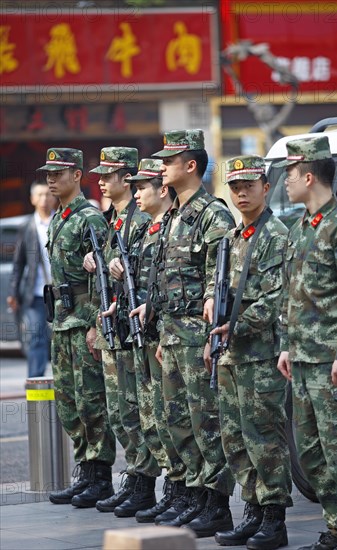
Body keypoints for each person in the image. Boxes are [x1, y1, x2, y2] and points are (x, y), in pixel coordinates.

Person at [276, 136, 337, 550]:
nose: (286, 183)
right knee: (311, 454)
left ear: (308, 175)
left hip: (334, 361)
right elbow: (291, 294)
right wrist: (286, 346)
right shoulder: (300, 228)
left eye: (290, 175)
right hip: (304, 360)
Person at [148, 129, 236, 537]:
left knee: (206, 421)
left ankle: (217, 504)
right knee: (176, 420)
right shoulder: (172, 216)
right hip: (171, 334)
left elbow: (218, 278)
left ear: (191, 165)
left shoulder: (211, 213)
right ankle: (193, 495)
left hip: (197, 336)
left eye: (169, 160)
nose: (162, 166)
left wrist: (207, 336)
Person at [204, 155, 293, 550]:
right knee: (234, 438)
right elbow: (214, 284)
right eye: (235, 187)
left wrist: (235, 324)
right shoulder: (229, 238)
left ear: (265, 187)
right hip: (228, 354)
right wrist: (211, 316)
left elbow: (276, 298)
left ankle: (275, 517)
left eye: (249, 186)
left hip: (259, 354)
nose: (241, 193)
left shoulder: (276, 235)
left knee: (264, 437)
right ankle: (253, 510)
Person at [37, 148, 115, 507]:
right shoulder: (59, 218)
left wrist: (96, 322)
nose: (51, 179)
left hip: (83, 319)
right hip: (62, 321)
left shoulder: (90, 218)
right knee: (68, 402)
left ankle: (100, 477)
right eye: (48, 174)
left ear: (77, 175)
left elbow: (103, 276)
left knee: (92, 401)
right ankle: (85, 470)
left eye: (58, 173)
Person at [83, 147, 160, 516]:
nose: (100, 180)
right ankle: (134, 475)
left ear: (126, 178)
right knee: (119, 412)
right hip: (113, 323)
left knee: (139, 409)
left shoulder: (142, 218)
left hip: (135, 328)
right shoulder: (113, 219)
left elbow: (146, 274)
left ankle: (144, 482)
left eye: (108, 174)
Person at [122, 159, 187, 523]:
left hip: (171, 336)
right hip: (149, 334)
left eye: (142, 187)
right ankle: (174, 490)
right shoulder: (148, 230)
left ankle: (186, 493)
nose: (137, 194)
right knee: (155, 419)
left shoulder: (172, 226)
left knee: (178, 418)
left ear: (162, 190)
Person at [7, 181, 54, 378]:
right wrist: (13, 292)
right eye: (40, 195)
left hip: (60, 293)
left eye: (47, 194)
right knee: (36, 338)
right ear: (33, 199)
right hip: (35, 295)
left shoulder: (59, 222)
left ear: (53, 197)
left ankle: (62, 387)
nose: (44, 199)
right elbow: (18, 264)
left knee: (59, 340)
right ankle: (36, 384)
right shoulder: (27, 226)